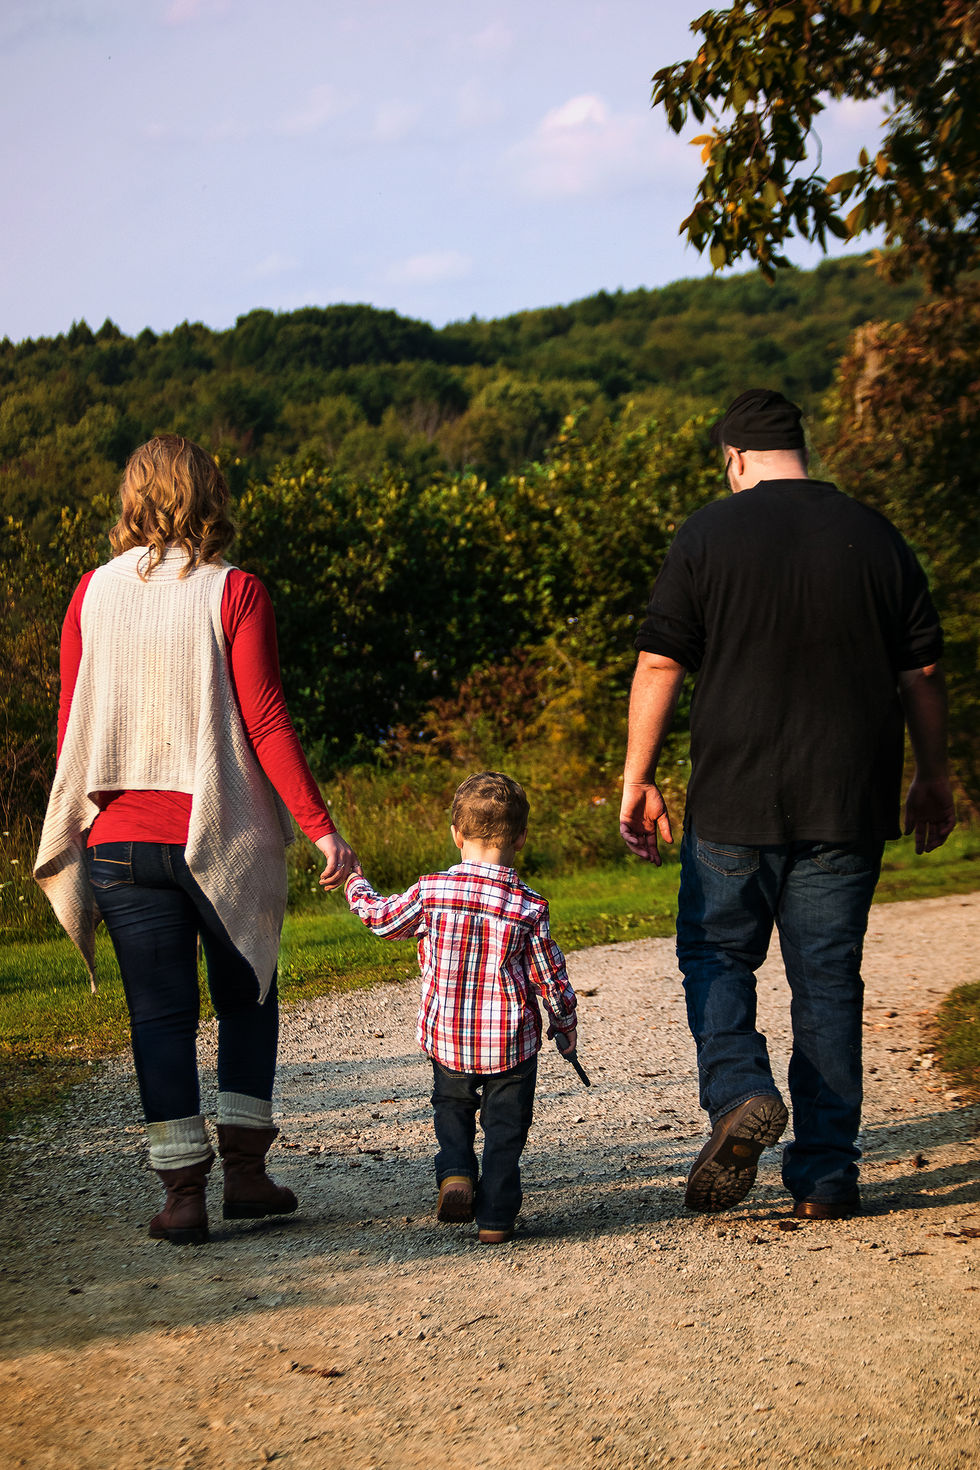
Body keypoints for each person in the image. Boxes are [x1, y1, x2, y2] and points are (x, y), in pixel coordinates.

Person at [619, 389, 955, 1220]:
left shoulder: (707, 532)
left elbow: (660, 663)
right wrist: (933, 776)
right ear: (801, 450)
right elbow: (921, 673)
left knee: (716, 954)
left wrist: (638, 777)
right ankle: (828, 1176)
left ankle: (740, 1090)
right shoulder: (875, 534)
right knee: (828, 981)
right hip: (848, 800)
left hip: (734, 798)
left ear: (734, 458)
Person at [34, 435, 357, 1244]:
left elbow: (73, 722)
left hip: (117, 841)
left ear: (132, 498)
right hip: (222, 834)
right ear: (210, 494)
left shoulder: (91, 594)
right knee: (247, 995)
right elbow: (266, 718)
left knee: (158, 1018)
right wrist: (321, 829)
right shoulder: (235, 590)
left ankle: (182, 1197)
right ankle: (245, 1175)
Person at [343, 770, 578, 1243]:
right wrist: (564, 1021)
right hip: (509, 1044)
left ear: (456, 834)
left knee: (451, 1109)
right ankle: (495, 1219)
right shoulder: (528, 906)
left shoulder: (430, 891)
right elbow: (549, 975)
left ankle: (455, 1173)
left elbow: (382, 920)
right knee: (506, 1130)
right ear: (522, 837)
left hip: (448, 1037)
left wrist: (355, 885)